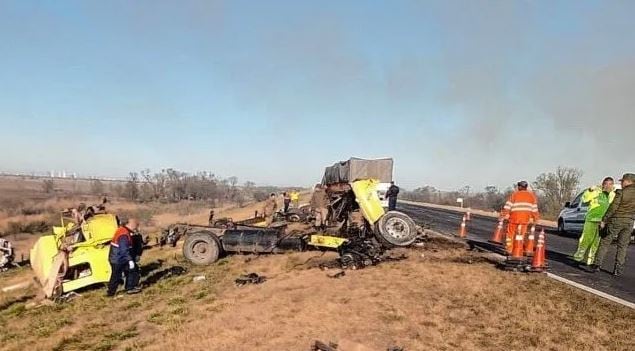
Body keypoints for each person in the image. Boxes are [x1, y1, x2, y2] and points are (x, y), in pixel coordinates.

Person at [591, 173, 635, 276]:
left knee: (605, 242)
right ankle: (618, 269)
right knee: (622, 246)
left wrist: (604, 219)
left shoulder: (621, 193)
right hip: (629, 222)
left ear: (629, 181)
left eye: (623, 181)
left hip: (616, 220)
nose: (621, 183)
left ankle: (597, 264)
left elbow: (613, 208)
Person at [573, 177, 615, 266]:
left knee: (596, 243)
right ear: (603, 184)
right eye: (606, 184)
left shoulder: (613, 195)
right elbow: (585, 199)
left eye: (610, 184)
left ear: (612, 185)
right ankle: (578, 258)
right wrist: (589, 190)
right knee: (585, 239)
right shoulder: (596, 191)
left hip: (603, 222)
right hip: (591, 219)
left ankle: (590, 261)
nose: (608, 186)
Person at [499, 181, 539, 254]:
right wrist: (535, 219)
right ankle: (518, 249)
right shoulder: (532, 196)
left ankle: (509, 249)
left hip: (514, 218)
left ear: (520, 187)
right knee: (521, 235)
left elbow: (507, 207)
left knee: (510, 234)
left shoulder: (514, 195)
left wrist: (502, 216)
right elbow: (535, 209)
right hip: (525, 219)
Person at [106, 218, 141, 296]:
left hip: (117, 258)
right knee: (117, 276)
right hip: (119, 259)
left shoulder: (122, 230)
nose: (136, 226)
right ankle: (112, 293)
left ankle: (128, 288)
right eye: (135, 224)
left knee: (129, 272)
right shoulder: (124, 234)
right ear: (129, 224)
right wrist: (130, 260)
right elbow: (124, 249)